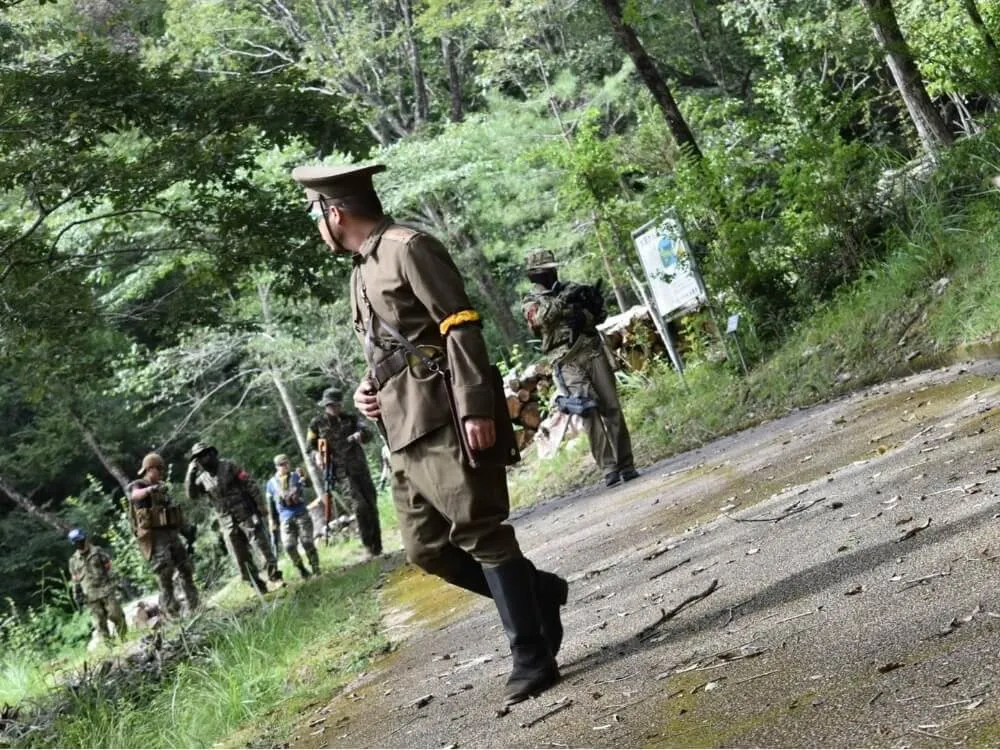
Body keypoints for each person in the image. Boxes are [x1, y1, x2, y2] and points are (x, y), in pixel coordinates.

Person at [292, 163, 568, 705]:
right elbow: (394, 345)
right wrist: (367, 388)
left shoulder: (409, 248)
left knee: (481, 531)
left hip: (443, 414)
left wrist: (476, 407)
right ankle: (537, 590)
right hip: (401, 426)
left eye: (314, 216)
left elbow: (459, 325)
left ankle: (532, 654)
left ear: (335, 211)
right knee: (427, 550)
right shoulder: (361, 268)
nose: (316, 227)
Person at [521, 249, 638, 487]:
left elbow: (600, 315)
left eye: (552, 269)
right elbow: (540, 320)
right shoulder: (531, 302)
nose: (551, 273)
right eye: (545, 271)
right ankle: (609, 468)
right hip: (566, 361)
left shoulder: (572, 288)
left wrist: (586, 315)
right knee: (588, 410)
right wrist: (564, 301)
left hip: (592, 350)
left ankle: (626, 464)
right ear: (534, 274)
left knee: (611, 408)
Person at [184, 442, 282, 592]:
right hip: (226, 522)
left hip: (246, 514)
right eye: (199, 457)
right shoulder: (202, 479)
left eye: (205, 454)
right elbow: (192, 495)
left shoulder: (229, 466)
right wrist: (190, 473)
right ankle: (257, 586)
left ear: (212, 453)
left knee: (262, 546)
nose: (204, 459)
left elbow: (249, 483)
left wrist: (260, 505)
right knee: (240, 557)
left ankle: (275, 577)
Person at [307, 388, 383, 560]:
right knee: (359, 506)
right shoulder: (316, 424)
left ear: (340, 404)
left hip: (360, 467)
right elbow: (310, 447)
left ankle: (377, 546)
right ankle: (368, 546)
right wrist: (317, 455)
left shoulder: (351, 418)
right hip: (341, 472)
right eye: (329, 405)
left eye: (335, 405)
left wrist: (360, 435)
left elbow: (368, 433)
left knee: (371, 504)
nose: (333, 408)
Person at [127, 453, 200, 618]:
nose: (161, 473)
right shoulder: (139, 485)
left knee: (186, 569)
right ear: (150, 468)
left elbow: (172, 513)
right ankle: (172, 613)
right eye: (159, 469)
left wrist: (186, 531)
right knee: (165, 575)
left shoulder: (162, 488)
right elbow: (134, 495)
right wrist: (151, 489)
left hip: (171, 534)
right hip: (155, 538)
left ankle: (195, 606)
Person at [67, 528, 127, 644]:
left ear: (84, 539)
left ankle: (124, 638)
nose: (79, 544)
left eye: (80, 541)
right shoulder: (73, 561)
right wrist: (77, 596)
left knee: (116, 615)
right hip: (90, 596)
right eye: (76, 543)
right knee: (99, 623)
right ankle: (110, 646)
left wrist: (116, 585)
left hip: (106, 590)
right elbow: (75, 580)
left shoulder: (97, 551)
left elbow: (110, 569)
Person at [266, 454, 320, 579]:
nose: (285, 466)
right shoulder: (271, 484)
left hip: (301, 515)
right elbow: (270, 504)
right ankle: (302, 569)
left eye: (286, 463)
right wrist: (272, 521)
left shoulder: (296, 476)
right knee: (289, 546)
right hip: (285, 519)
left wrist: (304, 476)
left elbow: (308, 484)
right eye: (282, 465)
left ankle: (316, 568)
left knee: (307, 542)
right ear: (276, 467)